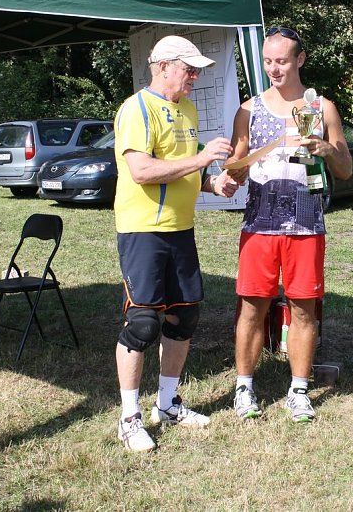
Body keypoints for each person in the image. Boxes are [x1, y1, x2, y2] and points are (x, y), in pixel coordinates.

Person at [114, 35, 239, 452]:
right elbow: (143, 170)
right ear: (163, 65)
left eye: (198, 68)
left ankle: (167, 404)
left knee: (184, 318)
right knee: (143, 322)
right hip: (143, 229)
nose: (196, 75)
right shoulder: (137, 109)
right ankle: (129, 418)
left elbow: (181, 168)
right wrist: (202, 160)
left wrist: (212, 182)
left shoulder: (186, 108)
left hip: (180, 228)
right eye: (189, 68)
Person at [226, 27, 353, 423]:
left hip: (306, 224)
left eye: (281, 61)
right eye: (267, 61)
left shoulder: (321, 108)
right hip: (260, 225)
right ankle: (244, 387)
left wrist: (326, 148)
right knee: (251, 308)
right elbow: (237, 163)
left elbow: (346, 169)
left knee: (303, 311)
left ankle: (298, 390)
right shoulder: (248, 110)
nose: (274, 69)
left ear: (300, 60)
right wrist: (232, 173)